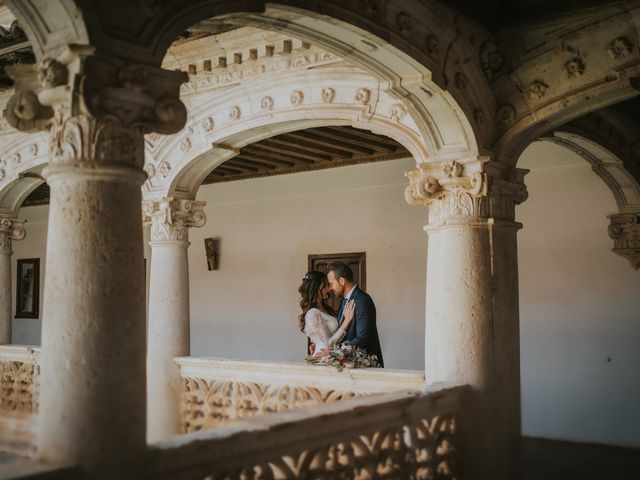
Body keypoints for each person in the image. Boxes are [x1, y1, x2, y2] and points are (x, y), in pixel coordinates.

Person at [326, 262, 384, 367]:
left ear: (342, 281)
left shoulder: (362, 300)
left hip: (365, 365)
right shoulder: (344, 300)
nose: (330, 288)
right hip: (348, 365)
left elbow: (362, 337)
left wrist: (335, 353)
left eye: (331, 284)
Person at [298, 270, 355, 356]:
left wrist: (317, 342)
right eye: (327, 285)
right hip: (323, 359)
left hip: (333, 357)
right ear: (320, 286)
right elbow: (327, 345)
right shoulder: (312, 313)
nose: (329, 289)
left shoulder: (326, 309)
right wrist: (346, 321)